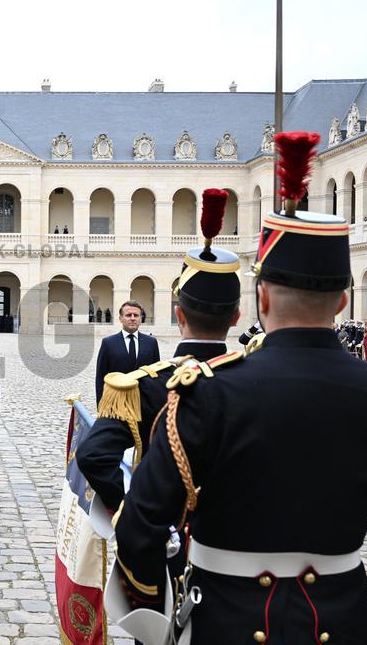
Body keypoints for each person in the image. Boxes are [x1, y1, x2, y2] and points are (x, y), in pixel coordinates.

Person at [111, 132, 367, 643]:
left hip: (225, 620)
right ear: (343, 301)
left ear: (261, 299)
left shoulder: (206, 393)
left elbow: (140, 528)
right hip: (347, 622)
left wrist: (153, 609)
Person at [78, 188, 241, 529]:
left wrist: (131, 513)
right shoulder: (260, 380)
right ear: (237, 317)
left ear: (179, 315)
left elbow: (91, 455)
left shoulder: (147, 386)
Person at [94, 301, 161, 404]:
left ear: (140, 318)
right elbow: (100, 377)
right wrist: (101, 405)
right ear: (121, 318)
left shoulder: (151, 342)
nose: (133, 318)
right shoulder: (108, 343)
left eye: (136, 315)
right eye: (128, 315)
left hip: (144, 402)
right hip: (117, 402)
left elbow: (156, 375)